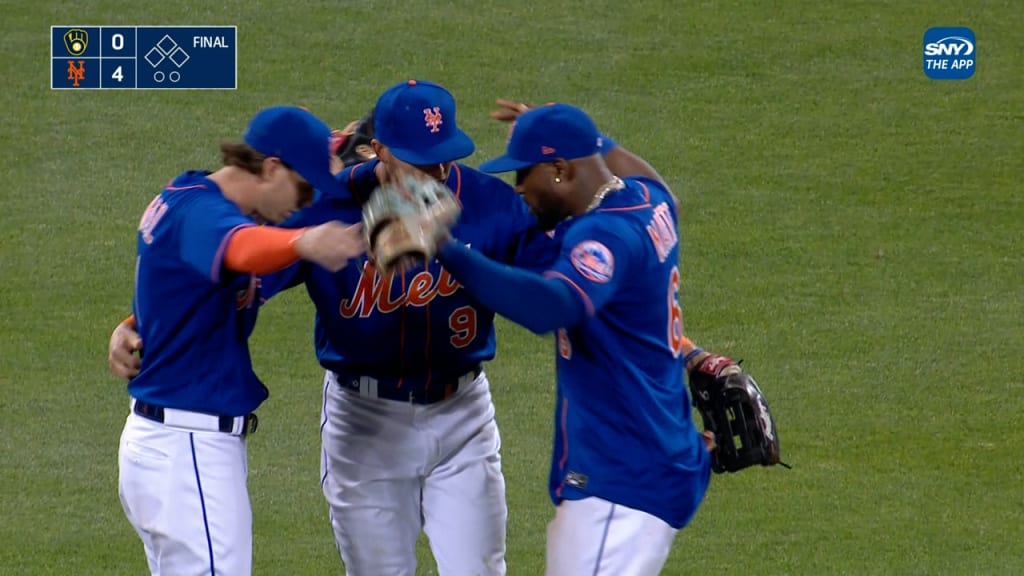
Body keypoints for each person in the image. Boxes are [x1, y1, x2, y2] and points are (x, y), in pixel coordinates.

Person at [110, 80, 559, 576]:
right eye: (418, 160)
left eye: (443, 159)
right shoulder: (326, 205)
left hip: (462, 416)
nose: (435, 173)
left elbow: (558, 290)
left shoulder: (488, 203)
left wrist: (561, 163)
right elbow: (230, 268)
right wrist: (138, 322)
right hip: (364, 422)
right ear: (381, 151)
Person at [433, 102, 715, 575]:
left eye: (525, 174)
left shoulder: (604, 236)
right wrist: (591, 140)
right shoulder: (648, 201)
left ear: (560, 169)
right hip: (657, 456)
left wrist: (443, 249)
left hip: (620, 483)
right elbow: (664, 188)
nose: (518, 188)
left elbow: (553, 305)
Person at [117, 105, 365, 576]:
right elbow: (241, 247)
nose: (306, 201)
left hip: (165, 444)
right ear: (271, 168)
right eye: (304, 186)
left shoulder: (187, 193)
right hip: (188, 450)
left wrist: (131, 322)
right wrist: (302, 243)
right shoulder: (208, 216)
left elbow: (177, 285)